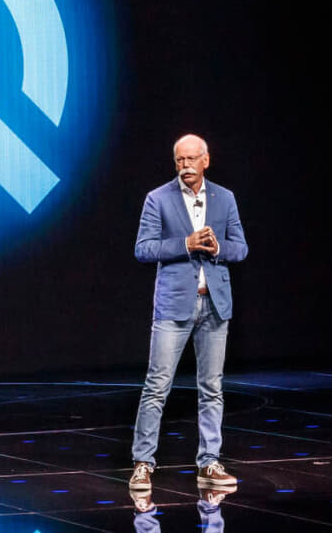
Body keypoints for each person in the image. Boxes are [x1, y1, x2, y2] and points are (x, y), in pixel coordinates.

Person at [128, 134, 247, 491]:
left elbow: (240, 248)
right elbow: (143, 249)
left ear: (205, 161)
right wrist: (185, 244)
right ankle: (143, 464)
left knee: (211, 387)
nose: (186, 166)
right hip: (173, 304)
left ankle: (209, 463)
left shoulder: (225, 198)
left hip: (215, 303)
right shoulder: (158, 198)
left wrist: (218, 247)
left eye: (192, 159)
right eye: (180, 160)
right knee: (157, 386)